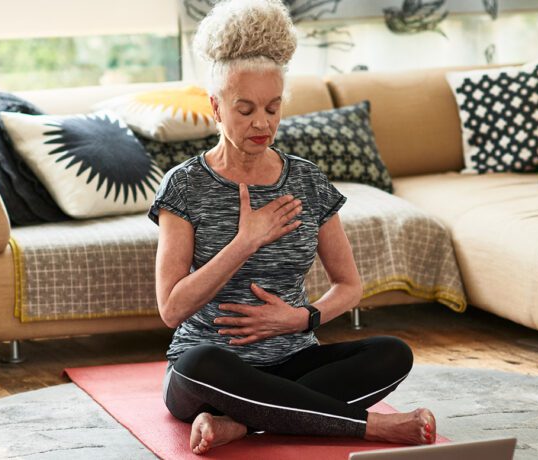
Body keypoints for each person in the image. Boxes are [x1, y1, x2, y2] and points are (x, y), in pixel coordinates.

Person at [147, 0, 436, 455]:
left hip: (293, 360)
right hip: (211, 372)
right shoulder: (184, 186)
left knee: (393, 353)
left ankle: (240, 424)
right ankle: (369, 428)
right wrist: (244, 242)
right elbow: (171, 309)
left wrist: (303, 317)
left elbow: (349, 285)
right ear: (216, 109)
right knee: (199, 363)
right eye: (244, 110)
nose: (262, 123)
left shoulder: (306, 180)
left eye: (272, 107)